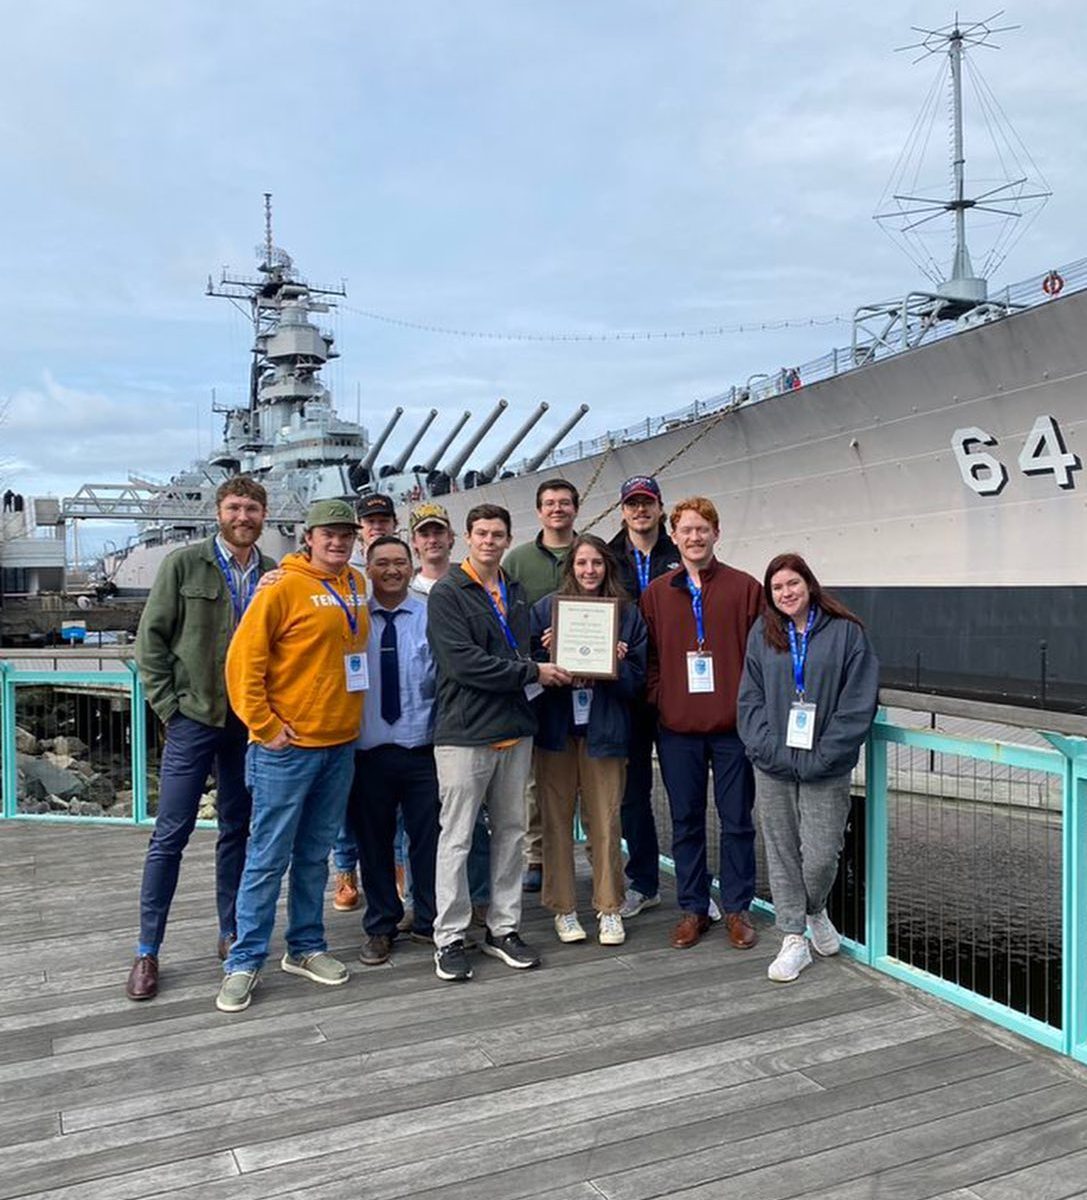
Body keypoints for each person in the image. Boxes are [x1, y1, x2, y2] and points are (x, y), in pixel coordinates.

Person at [125, 476, 276, 1002]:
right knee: (171, 834)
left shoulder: (275, 575)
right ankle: (147, 950)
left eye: (252, 508)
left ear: (264, 515)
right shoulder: (184, 565)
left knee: (239, 827)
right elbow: (151, 641)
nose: (244, 516)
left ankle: (230, 930)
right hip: (194, 718)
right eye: (235, 507)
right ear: (219, 512)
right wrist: (168, 707)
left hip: (248, 723)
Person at [215, 498, 369, 1013]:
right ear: (309, 536)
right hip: (287, 748)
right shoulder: (282, 585)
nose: (338, 541)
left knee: (313, 855)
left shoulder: (357, 584)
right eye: (328, 533)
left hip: (338, 745)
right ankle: (244, 959)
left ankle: (305, 946)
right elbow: (243, 662)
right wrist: (264, 725)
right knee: (266, 857)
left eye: (346, 534)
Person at [427, 502, 571, 982]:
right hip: (465, 732)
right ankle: (448, 935)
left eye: (498, 534)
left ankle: (503, 926)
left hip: (513, 727)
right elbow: (462, 663)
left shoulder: (516, 590)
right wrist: (534, 670)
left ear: (508, 540)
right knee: (458, 836)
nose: (489, 541)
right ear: (467, 538)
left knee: (510, 833)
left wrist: (552, 650)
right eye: (481, 533)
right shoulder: (449, 592)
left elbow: (521, 649)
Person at [737, 553, 879, 983]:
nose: (786, 593)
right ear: (770, 595)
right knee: (780, 850)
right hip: (775, 764)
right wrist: (770, 751)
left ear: (809, 584)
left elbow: (858, 702)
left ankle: (815, 908)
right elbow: (750, 698)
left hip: (826, 764)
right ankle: (793, 937)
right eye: (777, 588)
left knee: (820, 854)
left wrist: (825, 756)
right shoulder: (763, 634)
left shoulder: (847, 633)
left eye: (792, 583)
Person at [640, 497, 762, 951]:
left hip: (732, 728)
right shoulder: (656, 593)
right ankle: (693, 907)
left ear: (716, 533)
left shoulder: (745, 588)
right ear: (673, 537)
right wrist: (661, 696)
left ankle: (736, 907)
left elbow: (760, 656)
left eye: (702, 529)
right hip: (677, 728)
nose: (694, 537)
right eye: (686, 530)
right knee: (685, 819)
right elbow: (646, 655)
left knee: (738, 822)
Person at [530, 534, 647, 946]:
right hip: (557, 732)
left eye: (597, 563)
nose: (589, 571)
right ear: (571, 568)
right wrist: (544, 659)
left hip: (605, 731)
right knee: (556, 822)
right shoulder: (544, 610)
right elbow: (526, 675)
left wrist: (615, 664)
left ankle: (609, 907)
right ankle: (563, 908)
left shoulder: (627, 615)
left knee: (606, 822)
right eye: (581, 563)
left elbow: (638, 682)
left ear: (607, 567)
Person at [350, 535, 440, 965]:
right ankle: (382, 923)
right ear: (368, 569)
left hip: (422, 749)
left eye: (400, 562)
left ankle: (427, 919)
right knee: (374, 843)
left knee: (428, 840)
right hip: (368, 753)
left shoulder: (430, 617)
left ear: (412, 566)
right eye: (382, 562)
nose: (391, 570)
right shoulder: (352, 621)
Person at [409, 500, 492, 922]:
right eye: (424, 533)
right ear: (414, 541)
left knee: (472, 818)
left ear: (451, 537)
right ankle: (422, 903)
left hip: (463, 716)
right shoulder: (401, 591)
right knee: (418, 820)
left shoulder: (473, 585)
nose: (432, 539)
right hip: (417, 719)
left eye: (438, 531)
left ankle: (478, 897)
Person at [606, 475, 681, 920]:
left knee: (683, 792)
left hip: (672, 690)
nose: (640, 511)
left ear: (660, 509)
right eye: (632, 503)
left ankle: (694, 885)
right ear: (622, 511)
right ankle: (645, 881)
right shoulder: (608, 558)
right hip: (626, 692)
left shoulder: (682, 554)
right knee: (633, 796)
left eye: (647, 503)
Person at [503, 478, 580, 892]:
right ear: (538, 511)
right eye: (549, 503)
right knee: (537, 778)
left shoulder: (592, 553)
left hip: (591, 685)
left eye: (564, 503)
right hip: (538, 684)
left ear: (575, 509)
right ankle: (536, 854)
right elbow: (509, 622)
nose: (557, 510)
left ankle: (591, 854)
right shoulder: (517, 562)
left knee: (590, 773)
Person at [330, 491, 400, 912]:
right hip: (345, 704)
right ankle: (344, 872)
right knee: (344, 801)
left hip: (389, 707)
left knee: (396, 806)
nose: (377, 526)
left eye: (384, 520)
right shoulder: (345, 577)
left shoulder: (395, 570)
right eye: (370, 521)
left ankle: (396, 869)